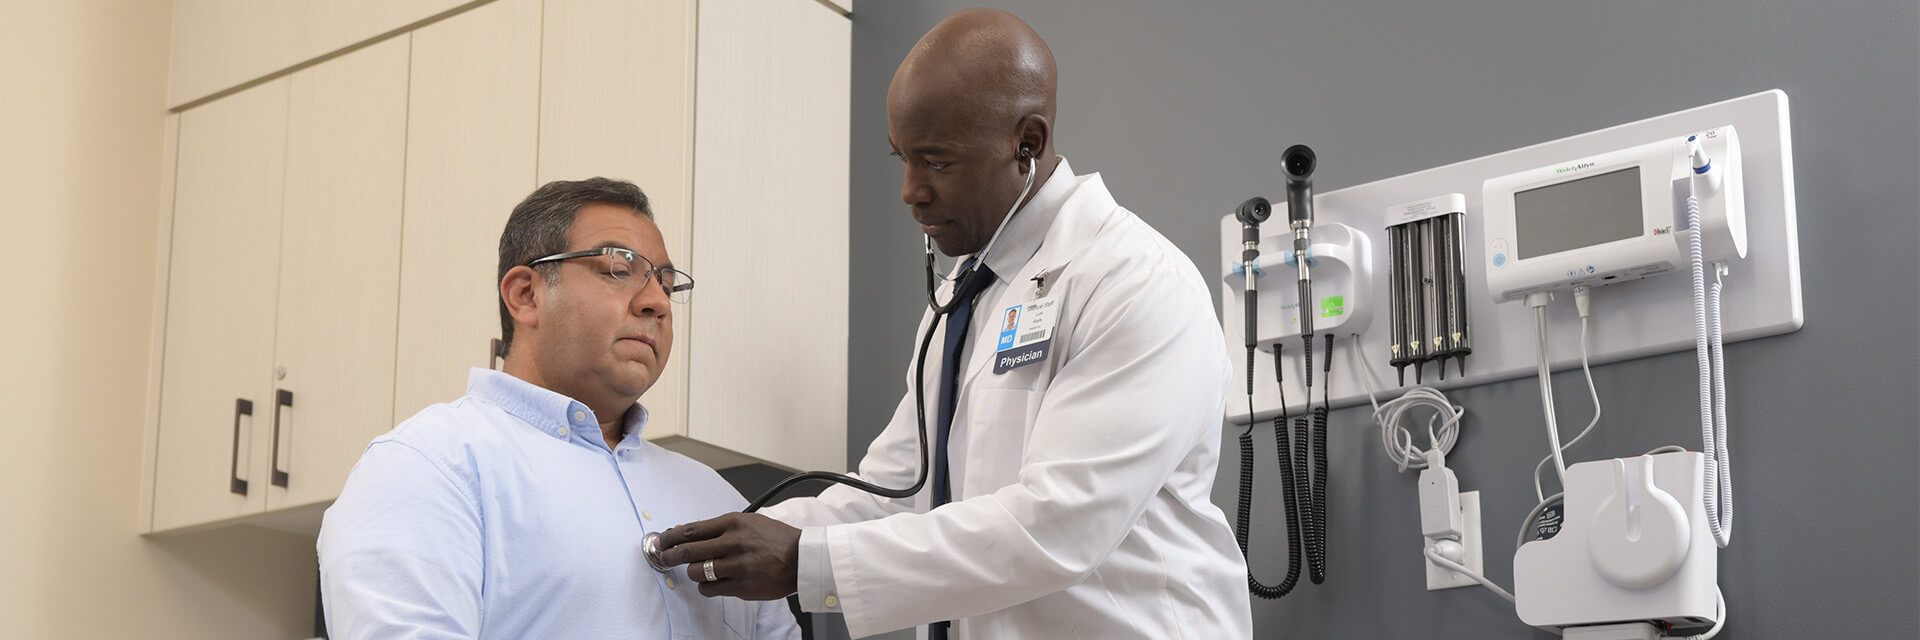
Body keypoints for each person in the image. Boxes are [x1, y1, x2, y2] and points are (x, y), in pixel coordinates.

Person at [655, 9, 1253, 639]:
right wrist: (736, 535)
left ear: (1027, 142)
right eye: (903, 159)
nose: (910, 191)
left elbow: (1061, 524)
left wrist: (806, 561)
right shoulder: (964, 298)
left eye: (936, 162)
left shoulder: (1135, 281)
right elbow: (894, 491)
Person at [317, 178, 800, 640]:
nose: (658, 302)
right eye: (619, 268)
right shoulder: (428, 467)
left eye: (668, 285)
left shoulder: (717, 497)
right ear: (526, 295)